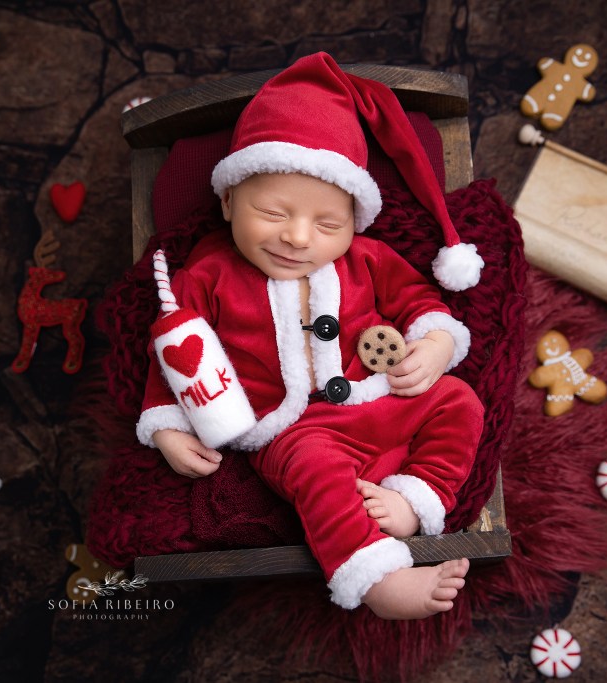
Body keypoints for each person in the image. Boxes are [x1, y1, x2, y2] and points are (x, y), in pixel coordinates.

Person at [137, 52, 487, 619]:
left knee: (459, 401)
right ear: (228, 201)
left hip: (381, 402)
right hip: (294, 430)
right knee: (317, 472)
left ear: (354, 221)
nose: (298, 237)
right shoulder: (207, 274)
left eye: (329, 224)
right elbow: (175, 353)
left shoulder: (368, 261)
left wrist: (435, 343)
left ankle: (415, 494)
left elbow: (420, 301)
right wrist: (168, 428)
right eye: (273, 212)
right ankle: (375, 576)